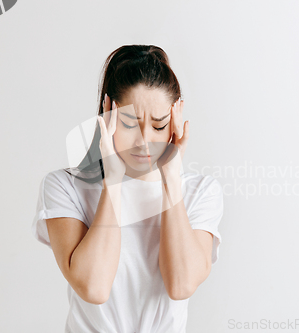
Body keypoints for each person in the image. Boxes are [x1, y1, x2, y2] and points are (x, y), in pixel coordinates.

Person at [31, 44, 223, 333]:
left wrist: (170, 179)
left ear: (175, 121)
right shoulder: (64, 187)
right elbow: (94, 288)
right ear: (107, 113)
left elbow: (181, 284)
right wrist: (113, 180)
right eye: (130, 123)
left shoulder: (199, 191)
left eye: (159, 126)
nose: (144, 141)